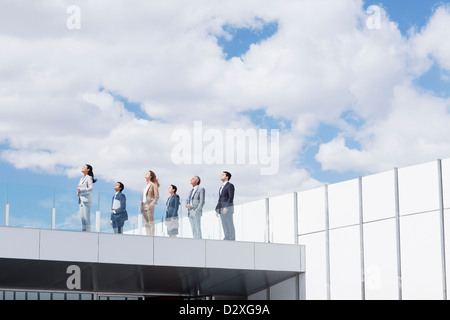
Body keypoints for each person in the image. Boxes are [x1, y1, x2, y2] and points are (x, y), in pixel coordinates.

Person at [215, 171, 235, 241]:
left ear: (227, 177)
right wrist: (217, 209)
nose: (221, 175)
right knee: (224, 224)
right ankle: (226, 237)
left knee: (229, 223)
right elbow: (220, 199)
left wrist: (226, 207)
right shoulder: (221, 187)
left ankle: (232, 238)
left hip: (228, 209)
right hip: (221, 209)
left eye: (223, 175)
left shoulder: (230, 185)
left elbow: (230, 198)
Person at [77, 164, 97, 232]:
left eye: (84, 167)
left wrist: (81, 190)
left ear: (88, 169)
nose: (82, 168)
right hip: (80, 199)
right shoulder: (81, 178)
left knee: (86, 218)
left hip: (86, 200)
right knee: (82, 218)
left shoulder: (89, 177)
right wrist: (78, 192)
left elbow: (91, 189)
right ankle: (84, 233)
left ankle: (88, 233)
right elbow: (79, 189)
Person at [140, 170, 160, 236]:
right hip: (143, 205)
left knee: (151, 222)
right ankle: (147, 236)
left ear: (150, 176)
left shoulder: (154, 185)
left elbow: (156, 197)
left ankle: (152, 237)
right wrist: (141, 207)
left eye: (147, 174)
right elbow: (142, 197)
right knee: (146, 223)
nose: (146, 174)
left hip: (149, 205)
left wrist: (151, 205)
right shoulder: (145, 186)